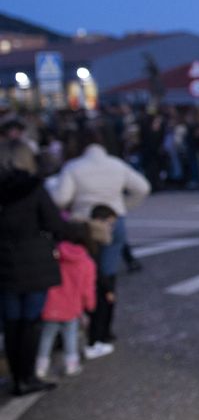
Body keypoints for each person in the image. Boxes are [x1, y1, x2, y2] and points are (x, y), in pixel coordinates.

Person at [48, 129, 151, 357]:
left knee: (85, 277)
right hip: (115, 221)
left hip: (84, 226)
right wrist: (123, 207)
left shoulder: (73, 167)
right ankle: (105, 330)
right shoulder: (116, 164)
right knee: (108, 276)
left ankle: (84, 329)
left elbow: (60, 198)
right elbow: (143, 187)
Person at [0, 138, 87, 395]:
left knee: (11, 324)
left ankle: (17, 377)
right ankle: (28, 376)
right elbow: (55, 225)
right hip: (35, 264)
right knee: (31, 323)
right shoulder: (33, 189)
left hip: (4, 265)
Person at [36, 211, 103, 379]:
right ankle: (71, 364)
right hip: (72, 307)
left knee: (46, 336)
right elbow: (88, 289)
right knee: (70, 336)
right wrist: (90, 305)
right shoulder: (87, 262)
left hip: (50, 304)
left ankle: (40, 366)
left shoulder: (55, 255)